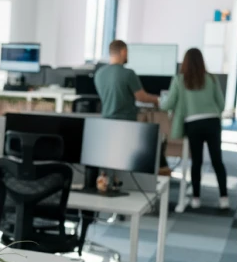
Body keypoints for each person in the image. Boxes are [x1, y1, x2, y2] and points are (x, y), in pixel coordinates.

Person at [159, 48, 228, 210]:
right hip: (212, 123)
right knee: (217, 160)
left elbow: (168, 104)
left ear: (185, 62)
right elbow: (222, 104)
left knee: (197, 161)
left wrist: (159, 102)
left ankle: (196, 198)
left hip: (193, 124)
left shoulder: (180, 79)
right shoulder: (211, 79)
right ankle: (224, 198)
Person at [93, 40, 171, 176]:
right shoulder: (128, 73)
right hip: (126, 123)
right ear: (123, 52)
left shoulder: (99, 74)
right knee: (151, 143)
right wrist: (159, 100)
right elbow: (141, 97)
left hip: (106, 122)